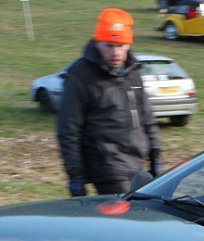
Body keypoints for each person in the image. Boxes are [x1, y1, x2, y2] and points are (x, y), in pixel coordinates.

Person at [57, 8, 162, 197]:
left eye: (121, 45)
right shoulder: (80, 77)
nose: (116, 52)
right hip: (107, 168)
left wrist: (156, 156)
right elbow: (68, 130)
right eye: (109, 45)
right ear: (97, 43)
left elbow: (147, 117)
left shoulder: (133, 72)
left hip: (139, 164)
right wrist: (75, 175)